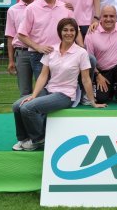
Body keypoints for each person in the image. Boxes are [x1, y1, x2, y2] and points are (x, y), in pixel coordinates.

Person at [12, 18, 106, 151]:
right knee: (17, 106)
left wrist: (92, 102)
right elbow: (43, 75)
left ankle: (39, 139)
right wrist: (34, 95)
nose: (69, 33)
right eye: (65, 30)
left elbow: (86, 79)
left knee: (28, 109)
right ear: (60, 32)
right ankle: (24, 139)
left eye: (72, 30)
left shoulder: (81, 53)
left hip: (65, 95)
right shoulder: (52, 50)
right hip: (49, 89)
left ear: (76, 33)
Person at [18, 0, 84, 79]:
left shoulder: (66, 8)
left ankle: (84, 95)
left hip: (63, 55)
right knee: (43, 92)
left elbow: (76, 31)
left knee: (62, 90)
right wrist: (38, 47)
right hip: (39, 56)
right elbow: (21, 34)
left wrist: (81, 48)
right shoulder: (31, 9)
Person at [85, 5, 117, 104]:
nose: (108, 19)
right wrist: (98, 75)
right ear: (100, 17)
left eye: (111, 16)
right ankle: (111, 90)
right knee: (101, 99)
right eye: (105, 16)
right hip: (102, 73)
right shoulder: (91, 33)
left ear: (116, 17)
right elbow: (88, 60)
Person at [5, 0, 37, 97]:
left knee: (44, 90)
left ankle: (43, 116)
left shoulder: (42, 5)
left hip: (41, 53)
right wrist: (11, 60)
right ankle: (25, 116)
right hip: (22, 54)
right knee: (25, 91)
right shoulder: (12, 10)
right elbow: (10, 37)